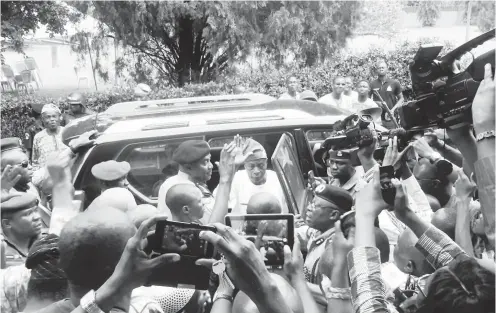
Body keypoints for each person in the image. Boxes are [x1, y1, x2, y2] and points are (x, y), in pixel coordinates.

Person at [222, 139, 287, 214]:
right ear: (245, 165)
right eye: (251, 166)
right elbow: (218, 201)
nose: (256, 171)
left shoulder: (278, 178)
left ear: (266, 162)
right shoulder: (236, 178)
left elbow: (286, 211)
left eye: (261, 165)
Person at [157, 140, 214, 224]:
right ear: (188, 167)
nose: (211, 166)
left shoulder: (170, 182)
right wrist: (225, 180)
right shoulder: (187, 190)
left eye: (210, 160)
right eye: (205, 162)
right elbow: (212, 224)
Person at [1, 193, 43, 268]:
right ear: (7, 223)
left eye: (36, 211)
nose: (37, 217)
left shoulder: (45, 241)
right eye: (27, 214)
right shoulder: (3, 250)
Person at [32, 104, 69, 172]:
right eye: (48, 117)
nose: (52, 119)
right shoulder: (38, 137)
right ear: (43, 119)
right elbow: (35, 161)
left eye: (54, 116)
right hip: (46, 177)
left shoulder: (67, 132)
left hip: (67, 174)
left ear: (60, 117)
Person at [369, 60, 404, 129]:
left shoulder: (394, 83)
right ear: (376, 70)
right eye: (379, 68)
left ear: (387, 69)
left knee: (393, 136)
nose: (381, 69)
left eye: (383, 67)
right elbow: (367, 100)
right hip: (377, 118)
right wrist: (376, 102)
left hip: (391, 117)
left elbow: (401, 99)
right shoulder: (372, 84)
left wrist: (393, 110)